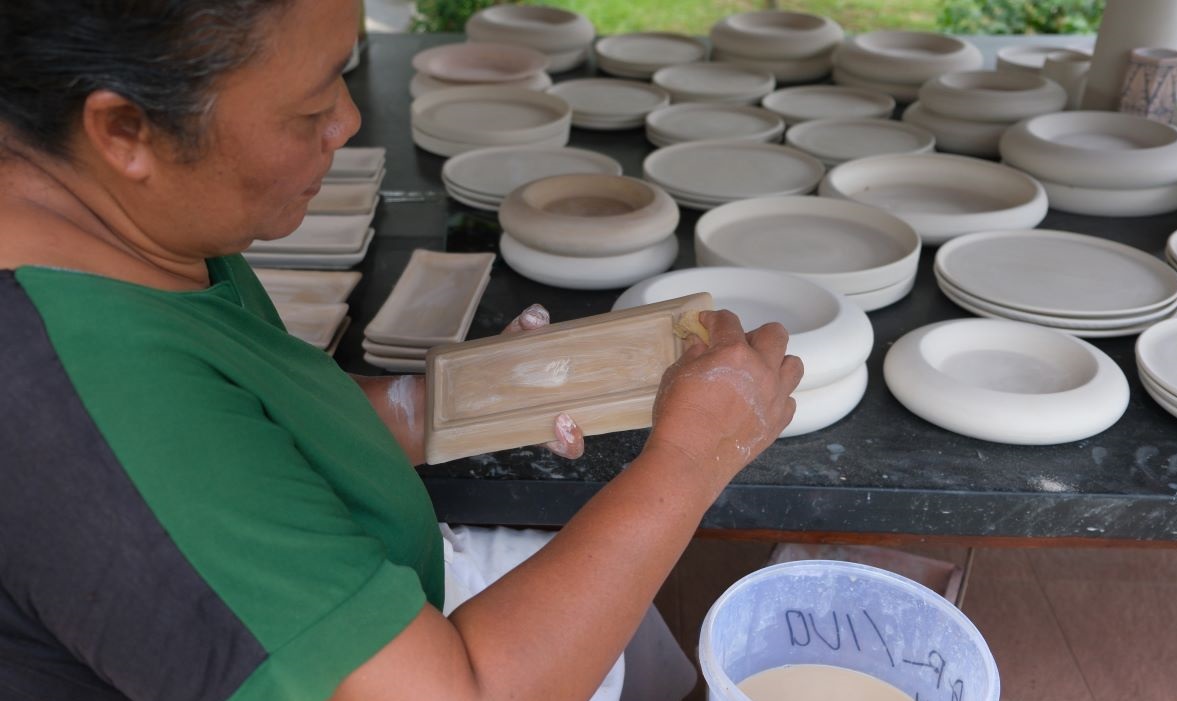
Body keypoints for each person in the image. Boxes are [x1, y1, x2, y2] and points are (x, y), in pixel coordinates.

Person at [0, 1, 804, 700]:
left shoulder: (131, 226)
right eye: (309, 105)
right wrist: (692, 459)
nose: (346, 121)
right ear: (124, 129)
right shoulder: (95, 414)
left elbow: (258, 419)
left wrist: (443, 405)